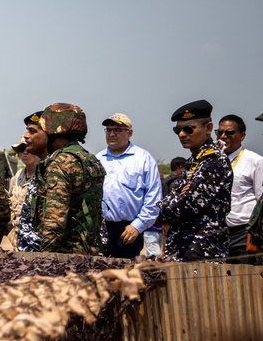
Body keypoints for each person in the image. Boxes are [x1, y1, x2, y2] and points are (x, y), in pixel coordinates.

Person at [160, 100, 233, 262]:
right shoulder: (194, 161)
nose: (182, 134)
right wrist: (177, 196)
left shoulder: (213, 160)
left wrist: (175, 199)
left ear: (208, 128)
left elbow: (186, 206)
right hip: (183, 246)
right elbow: (174, 197)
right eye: (177, 130)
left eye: (188, 129)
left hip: (203, 249)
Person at [32, 103, 106, 255]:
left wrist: (45, 258)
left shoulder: (61, 163)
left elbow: (55, 220)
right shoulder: (90, 159)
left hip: (66, 255)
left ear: (54, 132)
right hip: (89, 250)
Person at [96, 113, 162, 259]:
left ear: (130, 133)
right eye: (108, 130)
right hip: (101, 229)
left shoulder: (143, 158)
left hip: (128, 230)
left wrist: (137, 226)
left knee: (127, 276)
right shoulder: (98, 159)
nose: (112, 134)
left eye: (118, 130)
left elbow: (153, 198)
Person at [217, 114, 263, 262]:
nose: (223, 136)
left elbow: (260, 199)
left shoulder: (255, 161)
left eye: (229, 132)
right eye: (220, 132)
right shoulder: (212, 161)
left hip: (243, 233)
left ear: (242, 136)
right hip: (217, 234)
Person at [10, 112, 47, 252]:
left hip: (36, 239)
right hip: (16, 236)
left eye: (27, 148)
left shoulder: (46, 173)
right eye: (21, 149)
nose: (24, 152)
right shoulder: (17, 176)